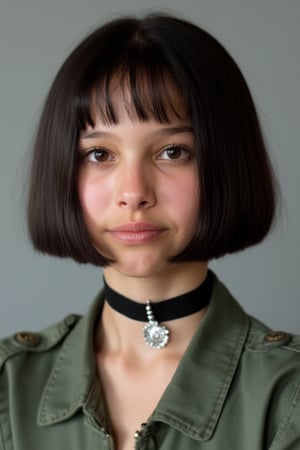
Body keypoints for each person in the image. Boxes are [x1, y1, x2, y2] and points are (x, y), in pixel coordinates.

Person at [0, 12, 299, 450]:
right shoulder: (8, 385)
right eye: (100, 154)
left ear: (225, 163)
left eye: (173, 151)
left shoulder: (288, 395)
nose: (134, 193)